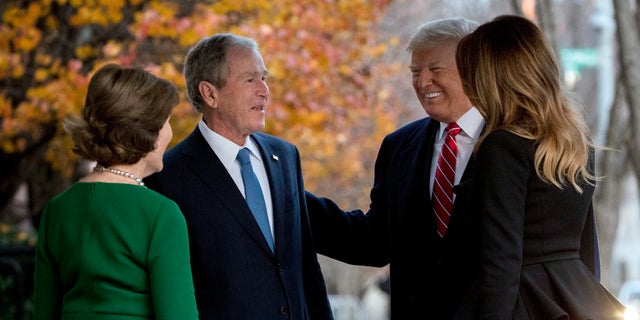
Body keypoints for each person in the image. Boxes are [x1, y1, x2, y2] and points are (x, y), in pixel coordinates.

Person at [305, 18, 486, 319]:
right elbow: (374, 243)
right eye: (415, 71)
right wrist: (287, 200)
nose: (422, 81)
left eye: (435, 69)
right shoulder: (400, 146)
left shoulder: (516, 141)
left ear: (473, 68)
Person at [144, 33, 333, 320]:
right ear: (210, 94)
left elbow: (305, 266)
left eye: (264, 78)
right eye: (250, 79)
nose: (265, 90)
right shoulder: (167, 177)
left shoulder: (285, 156)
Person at [455, 15, 625, 319]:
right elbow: (587, 249)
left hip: (523, 303)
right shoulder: (575, 142)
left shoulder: (502, 146)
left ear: (491, 78)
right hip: (576, 298)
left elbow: (501, 261)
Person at [33, 64, 198, 319]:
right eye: (166, 122)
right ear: (146, 132)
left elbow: (44, 313)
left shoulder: (57, 209)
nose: (171, 133)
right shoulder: (161, 214)